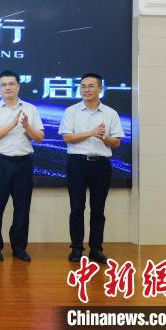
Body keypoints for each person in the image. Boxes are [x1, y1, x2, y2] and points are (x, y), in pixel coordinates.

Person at [59, 73, 124, 264]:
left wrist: (103, 137)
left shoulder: (110, 113)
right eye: (83, 86)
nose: (86, 90)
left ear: (100, 89)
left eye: (91, 86)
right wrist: (91, 133)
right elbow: (67, 138)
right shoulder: (71, 111)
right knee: (77, 207)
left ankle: (96, 249)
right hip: (77, 164)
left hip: (101, 165)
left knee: (98, 209)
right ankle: (76, 248)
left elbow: (116, 142)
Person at [0, 70, 44, 262]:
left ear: (18, 86)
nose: (7, 87)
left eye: (11, 83)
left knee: (22, 208)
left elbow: (39, 137)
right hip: (0, 162)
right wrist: (12, 123)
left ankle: (19, 247)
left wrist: (26, 126)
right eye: (3, 84)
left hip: (24, 163)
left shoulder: (31, 109)